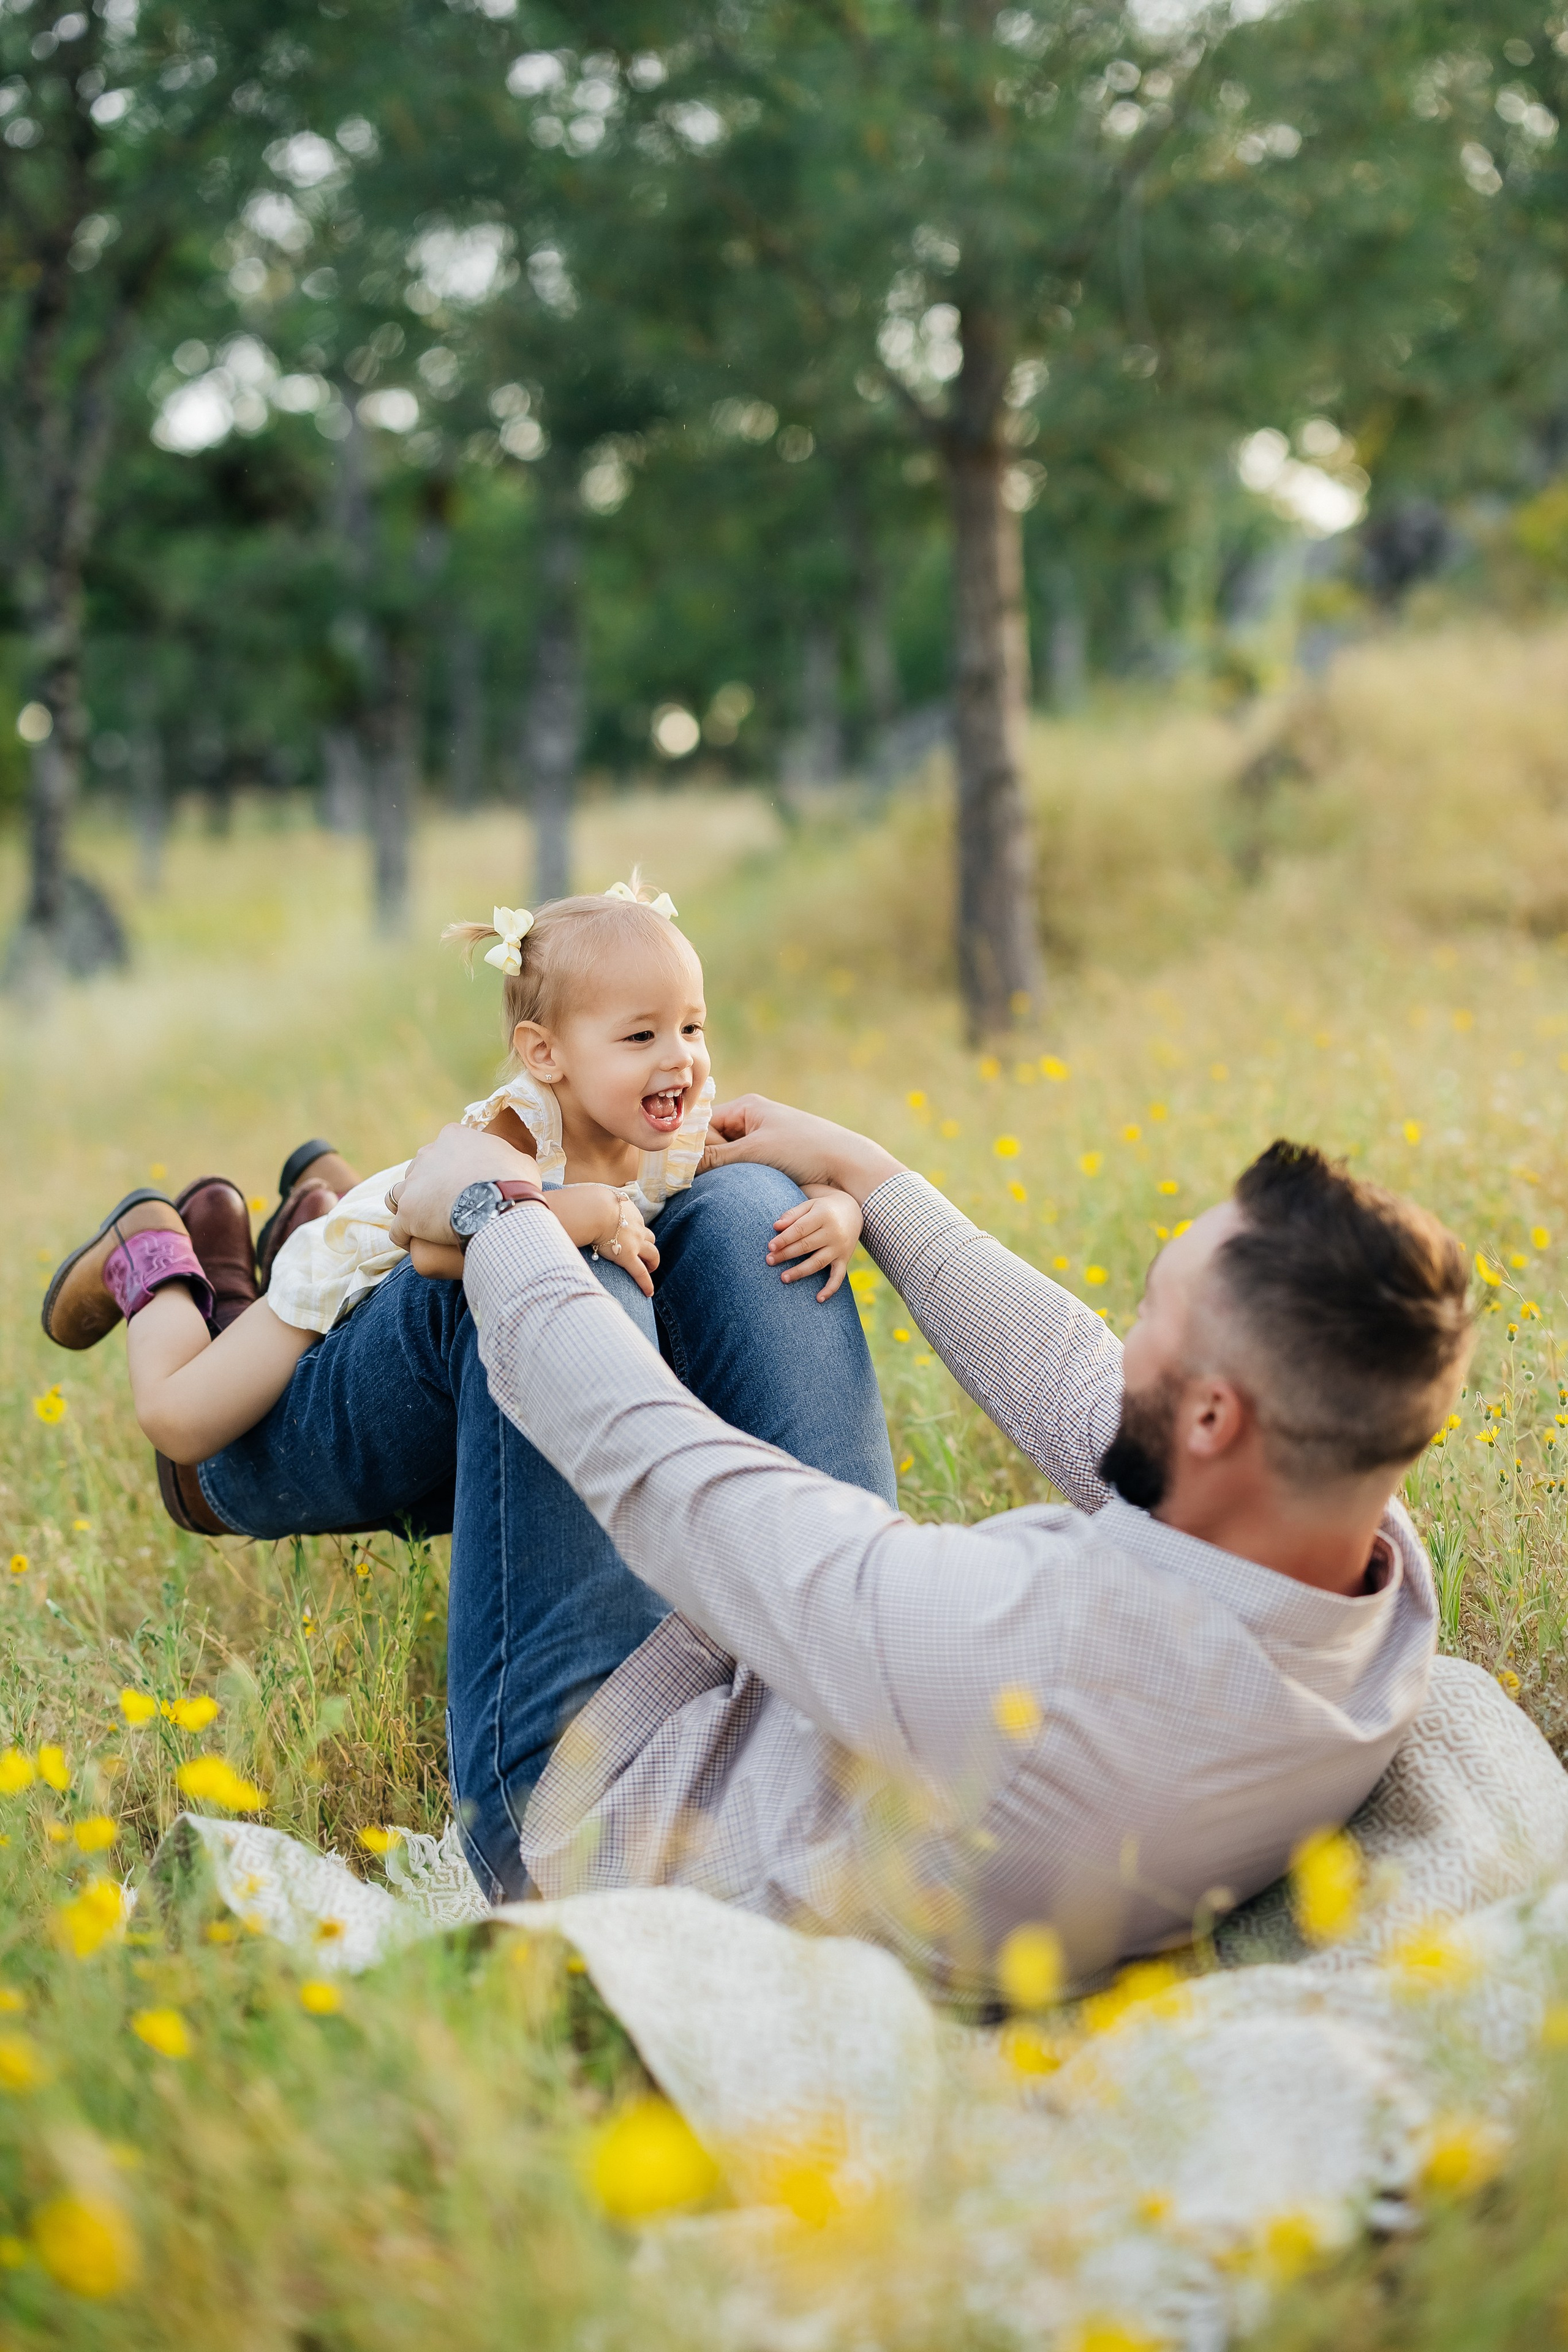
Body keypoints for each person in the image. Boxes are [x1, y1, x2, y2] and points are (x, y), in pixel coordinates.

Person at [371, 1100, 1472, 1988]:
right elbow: (1074, 1379)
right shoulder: (1366, 1573)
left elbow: (658, 1470)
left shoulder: (1028, 1658)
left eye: (1147, 1315)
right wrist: (865, 1172)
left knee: (550, 1276)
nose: (1120, 1340)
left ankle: (217, 1439)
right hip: (831, 1704)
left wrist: (490, 1207)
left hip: (596, 1797)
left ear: (1214, 1420)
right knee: (755, 1205)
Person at [41, 876, 864, 1472]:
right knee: (184, 1423)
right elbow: (436, 1256)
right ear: (547, 1054)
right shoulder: (523, 1124)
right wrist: (591, 1215)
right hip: (371, 1254)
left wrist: (835, 1209)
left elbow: (765, 1165)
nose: (680, 1058)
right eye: (640, 1037)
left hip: (428, 1263)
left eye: (692, 1025)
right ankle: (153, 1261)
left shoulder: (677, 1115)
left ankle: (299, 1199)